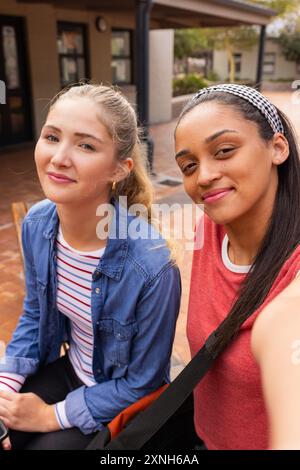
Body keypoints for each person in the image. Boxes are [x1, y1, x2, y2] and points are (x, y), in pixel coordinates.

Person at [0, 84, 181, 450]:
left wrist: (50, 416)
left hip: (118, 400)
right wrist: (5, 385)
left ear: (119, 169)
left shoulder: (152, 267)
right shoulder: (38, 224)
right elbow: (35, 315)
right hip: (69, 370)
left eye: (85, 145)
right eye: (52, 137)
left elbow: (142, 383)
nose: (59, 158)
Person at [174, 84, 300, 450]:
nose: (204, 176)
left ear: (277, 148)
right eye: (189, 165)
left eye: (224, 151)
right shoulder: (210, 228)